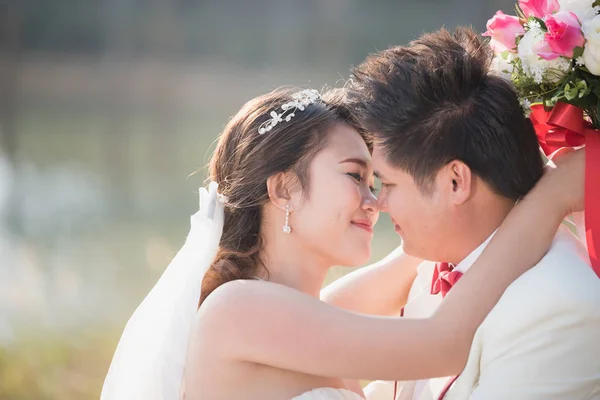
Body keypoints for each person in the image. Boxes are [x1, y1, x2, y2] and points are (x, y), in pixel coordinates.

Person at [101, 86, 585, 400]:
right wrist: (550, 200)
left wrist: (503, 179)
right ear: (284, 188)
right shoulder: (240, 310)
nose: (376, 202)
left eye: (381, 183)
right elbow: (442, 344)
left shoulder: (306, 313)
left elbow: (422, 254)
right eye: (356, 176)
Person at [343, 27, 600, 399]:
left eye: (388, 184)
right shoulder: (442, 257)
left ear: (455, 182)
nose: (376, 204)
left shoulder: (559, 307)